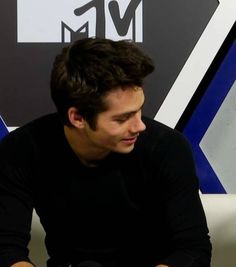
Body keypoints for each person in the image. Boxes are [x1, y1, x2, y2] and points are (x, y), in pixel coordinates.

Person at [0, 37, 211, 267]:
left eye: (139, 110)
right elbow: (6, 249)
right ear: (78, 117)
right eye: (122, 118)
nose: (139, 126)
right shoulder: (22, 150)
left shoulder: (167, 148)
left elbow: (193, 251)